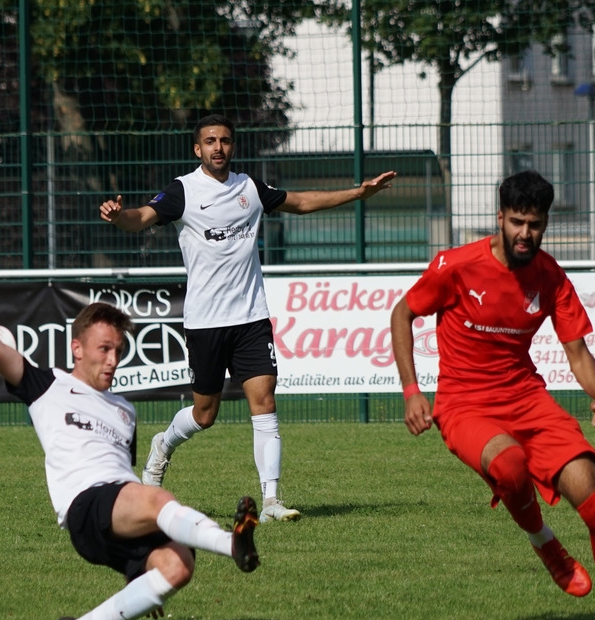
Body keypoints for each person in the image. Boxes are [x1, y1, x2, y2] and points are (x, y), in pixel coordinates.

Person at [99, 114, 397, 523]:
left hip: (251, 318)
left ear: (233, 146)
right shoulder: (183, 191)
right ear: (197, 149)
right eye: (210, 141)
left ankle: (271, 501)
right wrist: (118, 216)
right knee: (205, 415)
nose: (218, 147)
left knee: (265, 401)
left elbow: (302, 203)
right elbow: (140, 218)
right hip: (205, 322)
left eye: (224, 140)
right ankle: (163, 445)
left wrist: (359, 193)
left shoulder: (250, 188)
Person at [0, 231, 260, 620]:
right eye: (103, 349)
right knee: (158, 499)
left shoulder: (125, 410)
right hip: (85, 507)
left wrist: (142, 574)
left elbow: (124, 475)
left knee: (178, 566)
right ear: (77, 348)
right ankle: (233, 544)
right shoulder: (46, 384)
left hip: (119, 507)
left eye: (119, 351)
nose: (112, 360)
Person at [389, 170, 595, 620]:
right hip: (464, 404)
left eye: (535, 224)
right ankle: (544, 542)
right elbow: (402, 314)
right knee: (509, 465)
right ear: (500, 218)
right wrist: (412, 391)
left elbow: (576, 350)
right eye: (517, 222)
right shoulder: (457, 266)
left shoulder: (550, 276)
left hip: (527, 398)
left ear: (545, 223)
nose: (526, 233)